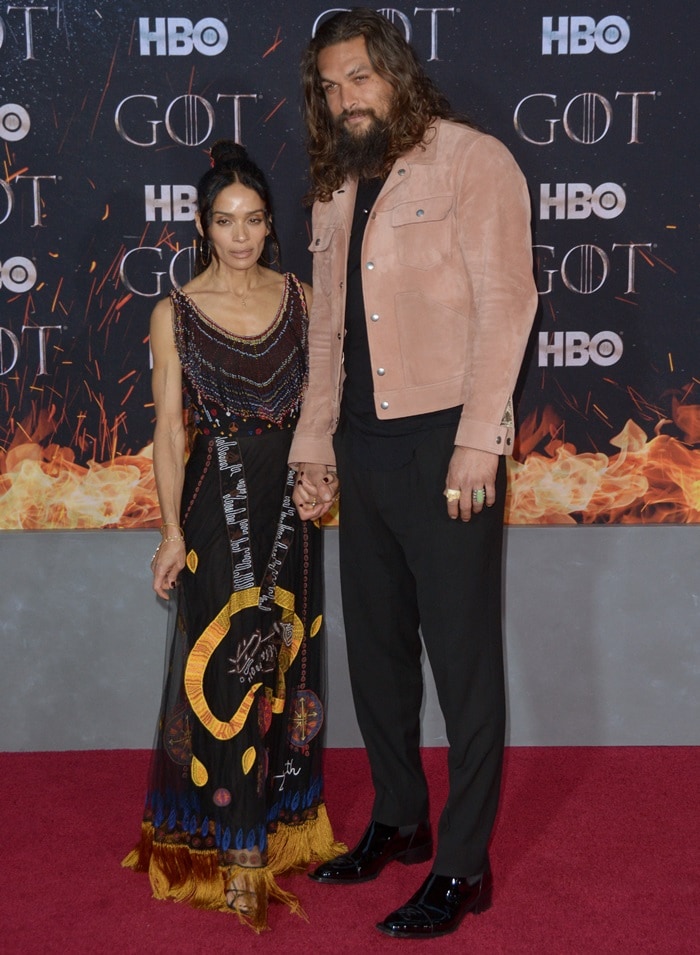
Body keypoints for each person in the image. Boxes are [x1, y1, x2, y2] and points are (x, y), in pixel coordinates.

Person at [290, 9, 538, 940]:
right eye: (328, 85)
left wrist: (482, 437)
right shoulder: (334, 185)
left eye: (358, 77)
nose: (344, 97)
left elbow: (509, 301)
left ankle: (463, 866)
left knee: (464, 662)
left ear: (394, 73)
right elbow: (325, 335)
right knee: (379, 655)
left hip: (449, 449)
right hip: (362, 443)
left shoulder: (475, 161)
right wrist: (316, 444)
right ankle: (399, 816)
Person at [123, 140, 344, 934]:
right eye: (226, 221)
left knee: (287, 660)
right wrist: (171, 531)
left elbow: (325, 410)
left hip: (292, 511)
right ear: (202, 224)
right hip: (219, 509)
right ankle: (234, 843)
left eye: (253, 220)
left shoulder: (304, 298)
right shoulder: (173, 311)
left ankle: (281, 823)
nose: (241, 235)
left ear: (269, 225)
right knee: (219, 670)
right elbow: (170, 436)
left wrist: (325, 477)